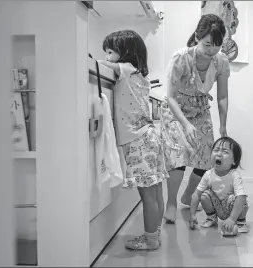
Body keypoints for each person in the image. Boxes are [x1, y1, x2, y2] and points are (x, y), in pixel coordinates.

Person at [98, 30, 168, 251]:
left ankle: (150, 240)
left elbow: (103, 66)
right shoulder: (141, 76)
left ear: (125, 53)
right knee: (156, 193)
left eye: (110, 52)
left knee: (146, 196)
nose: (107, 57)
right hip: (149, 137)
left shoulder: (126, 70)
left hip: (138, 141)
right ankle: (155, 234)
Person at [161, 14, 231, 223]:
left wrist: (223, 126)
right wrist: (185, 124)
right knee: (179, 155)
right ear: (197, 37)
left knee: (206, 157)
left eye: (217, 46)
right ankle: (171, 203)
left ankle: (188, 195)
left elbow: (223, 96)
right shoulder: (181, 58)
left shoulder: (221, 61)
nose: (212, 50)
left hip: (200, 109)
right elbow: (170, 97)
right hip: (176, 111)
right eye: (208, 44)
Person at [189, 137, 249, 234]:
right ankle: (211, 218)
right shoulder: (208, 174)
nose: (219, 154)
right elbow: (196, 194)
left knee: (240, 198)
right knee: (205, 195)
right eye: (216, 150)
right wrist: (192, 215)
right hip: (218, 206)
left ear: (233, 161)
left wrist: (232, 219)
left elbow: (241, 197)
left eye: (225, 152)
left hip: (234, 209)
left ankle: (240, 222)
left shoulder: (234, 175)